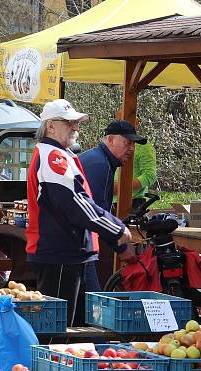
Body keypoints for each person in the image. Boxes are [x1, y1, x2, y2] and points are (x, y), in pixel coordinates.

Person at [26, 99, 133, 327]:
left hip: (68, 251)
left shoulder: (58, 154)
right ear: (51, 126)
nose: (75, 127)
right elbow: (76, 204)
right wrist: (116, 228)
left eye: (76, 122)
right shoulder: (53, 157)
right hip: (60, 252)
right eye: (69, 122)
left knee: (74, 327)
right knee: (57, 329)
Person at [79, 120, 147, 292]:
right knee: (91, 306)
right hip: (75, 245)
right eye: (127, 142)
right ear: (110, 139)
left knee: (82, 307)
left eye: (133, 144)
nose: (132, 148)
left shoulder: (99, 159)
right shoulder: (99, 165)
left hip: (77, 243)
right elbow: (96, 213)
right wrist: (122, 247)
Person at [114, 140, 158, 209]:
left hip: (133, 203)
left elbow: (150, 175)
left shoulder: (143, 146)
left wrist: (121, 188)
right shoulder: (111, 146)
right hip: (108, 202)